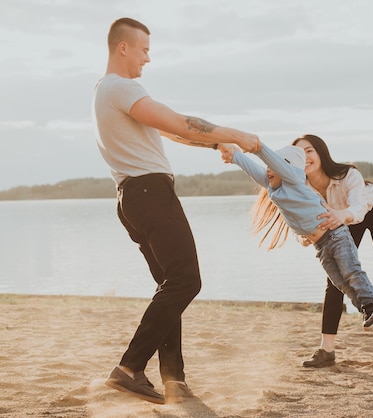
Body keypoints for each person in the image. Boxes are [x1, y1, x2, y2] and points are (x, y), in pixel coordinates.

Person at [92, 17, 261, 404]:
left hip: (132, 198)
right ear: (123, 47)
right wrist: (235, 135)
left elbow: (167, 131)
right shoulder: (121, 87)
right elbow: (179, 122)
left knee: (171, 285)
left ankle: (174, 380)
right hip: (150, 194)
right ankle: (128, 368)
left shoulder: (106, 91)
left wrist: (211, 145)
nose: (148, 58)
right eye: (144, 49)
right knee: (187, 280)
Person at [218, 142, 373, 333]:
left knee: (351, 272)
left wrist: (257, 147)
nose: (268, 170)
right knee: (339, 282)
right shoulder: (272, 185)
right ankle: (368, 310)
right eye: (268, 167)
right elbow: (254, 170)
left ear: (287, 168)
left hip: (336, 236)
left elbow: (275, 163)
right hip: (321, 245)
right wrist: (234, 156)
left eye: (274, 165)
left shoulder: (294, 178)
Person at [292, 134, 373, 373]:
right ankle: (327, 350)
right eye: (299, 154)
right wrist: (304, 237)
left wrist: (341, 215)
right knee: (334, 281)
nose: (306, 157)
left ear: (321, 153)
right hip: (339, 221)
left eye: (309, 151)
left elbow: (359, 209)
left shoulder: (348, 174)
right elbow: (299, 220)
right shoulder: (300, 187)